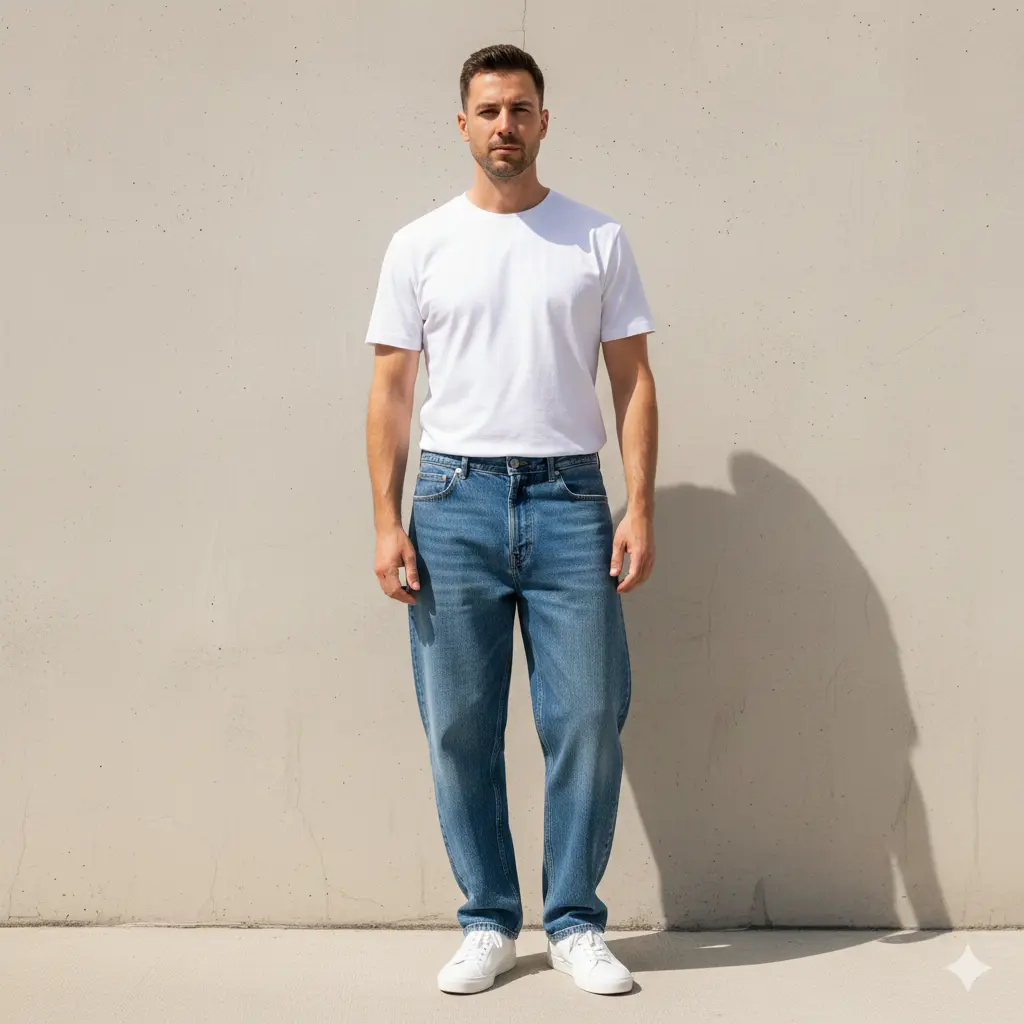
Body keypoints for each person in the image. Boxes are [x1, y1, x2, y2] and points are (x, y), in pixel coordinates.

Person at [364, 43, 658, 996]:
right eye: (488, 111)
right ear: (464, 125)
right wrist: (385, 519)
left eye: (520, 109)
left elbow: (634, 381)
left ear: (544, 120)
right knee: (459, 722)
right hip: (451, 503)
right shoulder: (420, 244)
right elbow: (391, 391)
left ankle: (573, 921)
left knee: (586, 717)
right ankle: (489, 920)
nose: (505, 126)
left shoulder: (596, 238)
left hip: (572, 501)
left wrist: (638, 506)